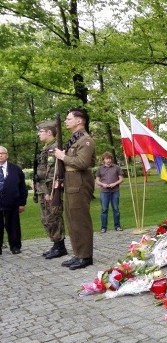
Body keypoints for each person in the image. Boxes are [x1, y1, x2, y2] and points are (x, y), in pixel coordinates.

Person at [54, 108, 96, 270]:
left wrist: (63, 156)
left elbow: (82, 163)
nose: (66, 121)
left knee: (80, 220)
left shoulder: (85, 140)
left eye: (69, 119)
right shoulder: (74, 140)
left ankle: (86, 256)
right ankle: (78, 254)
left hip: (80, 180)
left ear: (79, 121)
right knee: (72, 220)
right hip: (71, 180)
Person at [35, 120, 68, 259]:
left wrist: (50, 192)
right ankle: (56, 244)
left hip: (49, 190)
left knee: (53, 217)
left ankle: (60, 247)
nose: (38, 134)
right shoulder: (46, 148)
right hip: (43, 189)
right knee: (46, 218)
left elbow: (52, 172)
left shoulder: (54, 148)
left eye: (41, 131)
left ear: (49, 132)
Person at [0, 146, 28, 255]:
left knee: (13, 226)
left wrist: (22, 203)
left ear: (7, 155)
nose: (0, 155)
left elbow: (22, 187)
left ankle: (15, 246)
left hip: (12, 202)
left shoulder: (15, 169)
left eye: (2, 153)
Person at [95, 151, 124, 233]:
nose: (108, 160)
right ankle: (103, 227)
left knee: (116, 209)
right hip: (104, 192)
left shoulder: (116, 167)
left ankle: (117, 226)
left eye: (110, 158)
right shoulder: (100, 169)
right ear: (103, 160)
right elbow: (97, 180)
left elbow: (121, 179)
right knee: (104, 210)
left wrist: (114, 183)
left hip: (115, 191)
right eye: (107, 159)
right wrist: (102, 184)